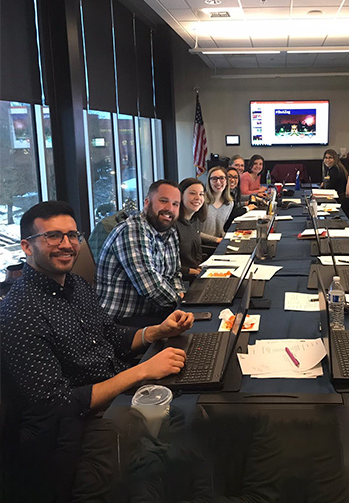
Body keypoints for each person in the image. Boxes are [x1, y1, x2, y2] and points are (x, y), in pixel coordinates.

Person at [0, 201, 193, 501]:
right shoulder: (19, 311)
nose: (66, 245)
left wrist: (158, 331)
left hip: (116, 396)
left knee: (196, 417)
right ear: (27, 246)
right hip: (73, 432)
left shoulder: (76, 284)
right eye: (53, 236)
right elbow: (57, 404)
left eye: (72, 235)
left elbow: (111, 335)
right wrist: (141, 371)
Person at [96, 180, 185, 323]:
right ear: (147, 202)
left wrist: (180, 293)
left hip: (154, 312)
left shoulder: (170, 231)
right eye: (163, 201)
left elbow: (174, 274)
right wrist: (183, 306)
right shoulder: (133, 229)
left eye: (175, 204)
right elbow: (150, 287)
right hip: (121, 321)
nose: (169, 208)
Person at [177, 177, 207, 280]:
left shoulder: (195, 221)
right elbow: (169, 266)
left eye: (201, 194)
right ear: (180, 196)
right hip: (183, 280)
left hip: (196, 274)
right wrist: (193, 271)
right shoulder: (173, 225)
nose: (198, 198)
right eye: (192, 193)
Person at [199, 166, 233, 246]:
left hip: (219, 244)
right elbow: (194, 232)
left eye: (221, 178)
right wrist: (216, 239)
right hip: (203, 246)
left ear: (226, 181)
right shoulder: (201, 200)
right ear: (209, 181)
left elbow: (220, 229)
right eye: (214, 179)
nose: (218, 182)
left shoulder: (229, 203)